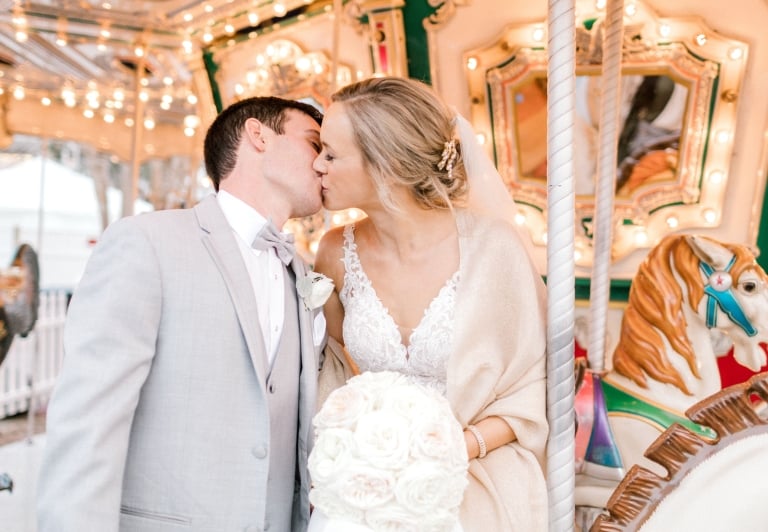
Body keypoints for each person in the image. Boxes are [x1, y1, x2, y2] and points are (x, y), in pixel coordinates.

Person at [37, 96, 326, 532]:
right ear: (258, 135)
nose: (324, 163)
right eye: (313, 143)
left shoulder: (301, 271)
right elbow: (88, 423)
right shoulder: (147, 243)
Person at [312, 77, 548, 531]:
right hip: (367, 486)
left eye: (331, 154)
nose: (317, 165)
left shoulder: (493, 249)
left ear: (388, 165)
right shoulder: (333, 252)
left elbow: (531, 383)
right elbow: (335, 374)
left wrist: (451, 447)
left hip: (475, 478)